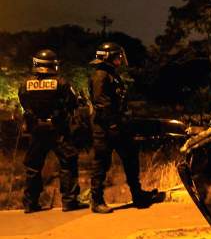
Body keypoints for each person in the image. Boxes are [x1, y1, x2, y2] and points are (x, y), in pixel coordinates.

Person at [88, 42, 162, 213]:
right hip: (105, 128)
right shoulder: (100, 75)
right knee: (101, 163)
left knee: (130, 158)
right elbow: (101, 103)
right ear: (109, 57)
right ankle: (96, 200)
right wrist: (112, 124)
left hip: (118, 125)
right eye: (117, 56)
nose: (120, 59)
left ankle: (137, 194)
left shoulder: (111, 74)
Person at [17, 49, 87, 213]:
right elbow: (73, 103)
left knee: (33, 167)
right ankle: (69, 201)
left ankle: (30, 203)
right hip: (59, 131)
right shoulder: (62, 84)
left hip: (36, 131)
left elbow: (24, 103)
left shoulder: (25, 84)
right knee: (67, 164)